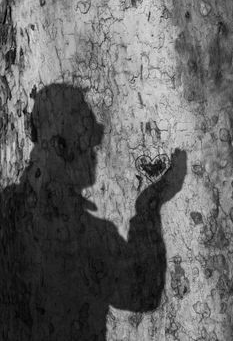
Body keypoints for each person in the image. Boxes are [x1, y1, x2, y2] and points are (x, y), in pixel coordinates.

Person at [0, 84, 187, 341]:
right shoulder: (88, 238)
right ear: (60, 146)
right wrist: (148, 208)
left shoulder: (7, 206)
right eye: (89, 139)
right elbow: (144, 293)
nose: (96, 148)